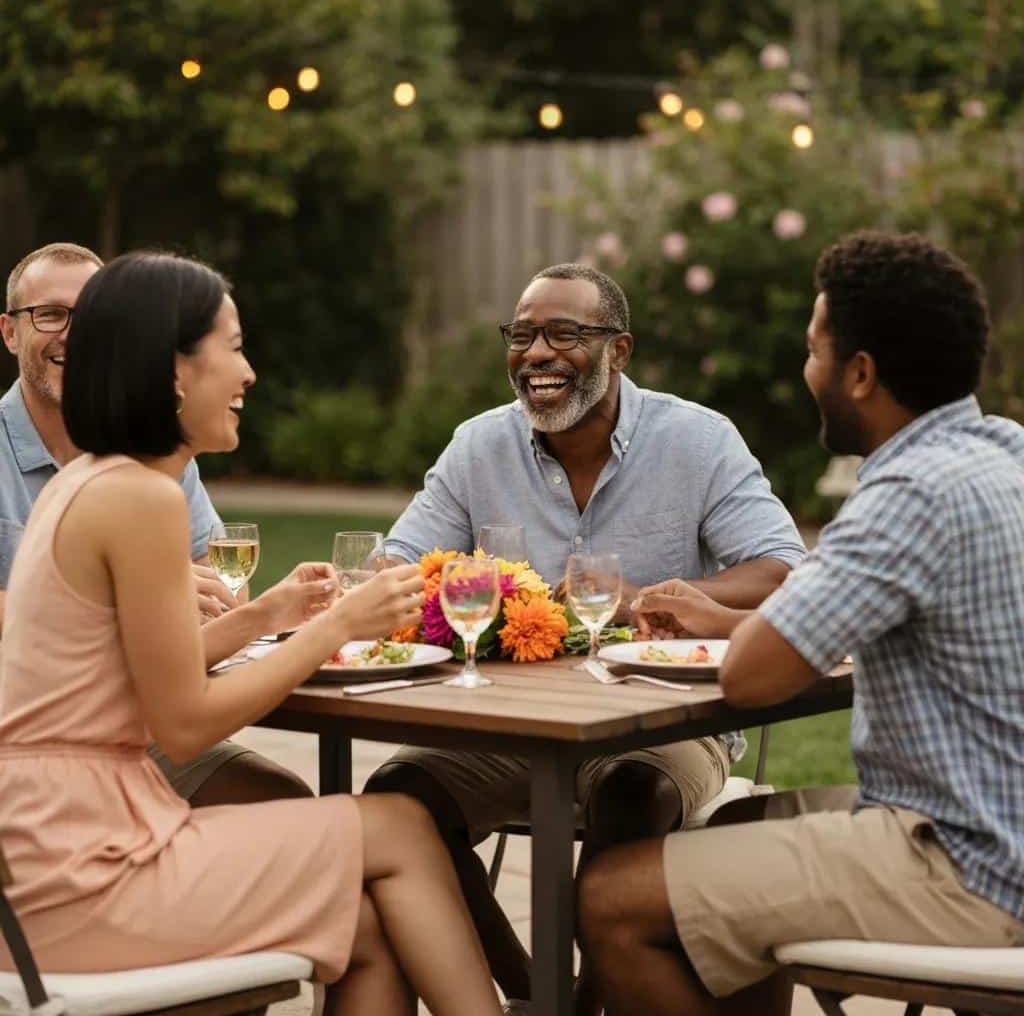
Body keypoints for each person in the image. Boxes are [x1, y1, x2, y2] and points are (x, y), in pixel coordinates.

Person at [0, 251, 503, 1016]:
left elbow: (123, 664)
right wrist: (337, 624)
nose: (250, 374)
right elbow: (185, 720)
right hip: (80, 871)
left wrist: (265, 618)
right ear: (173, 371)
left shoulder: (90, 480)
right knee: (399, 825)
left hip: (43, 854)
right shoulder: (139, 498)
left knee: (362, 927)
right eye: (233, 347)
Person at [578, 231, 1024, 1016]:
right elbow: (835, 600)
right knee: (745, 820)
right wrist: (722, 612)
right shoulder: (1004, 452)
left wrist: (733, 625)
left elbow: (753, 676)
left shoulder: (906, 496)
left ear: (860, 373)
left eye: (815, 350)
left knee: (613, 896)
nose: (805, 369)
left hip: (968, 865)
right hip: (994, 824)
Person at [371, 263, 807, 1012]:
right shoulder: (478, 446)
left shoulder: (698, 440)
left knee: (633, 795)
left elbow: (781, 568)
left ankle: (575, 1003)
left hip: (662, 720)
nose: (537, 352)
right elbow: (396, 564)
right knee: (396, 799)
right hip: (512, 723)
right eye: (522, 334)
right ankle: (527, 993)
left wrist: (669, 597)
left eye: (564, 333)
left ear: (620, 350)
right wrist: (378, 577)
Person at [0, 242, 309, 807]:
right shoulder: (133, 487)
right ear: (10, 332)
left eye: (90, 316)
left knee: (294, 802)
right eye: (50, 314)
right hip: (53, 765)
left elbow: (208, 585)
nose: (72, 333)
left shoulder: (143, 462)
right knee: (377, 836)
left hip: (114, 731)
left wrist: (265, 611)